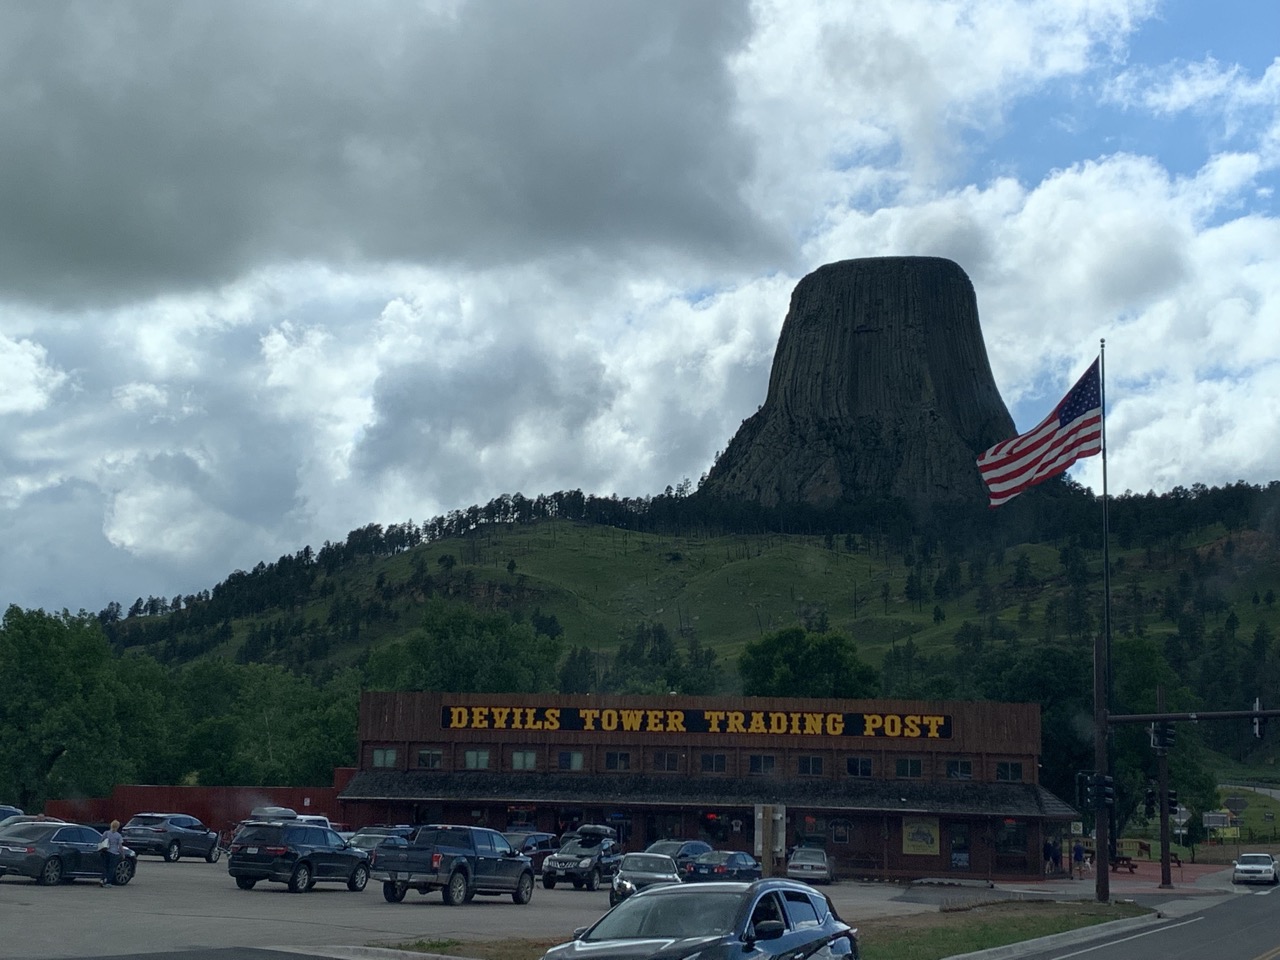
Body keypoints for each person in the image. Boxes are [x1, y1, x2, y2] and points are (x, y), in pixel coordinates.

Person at [100, 819, 123, 887]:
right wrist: (122, 854)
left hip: (106, 851)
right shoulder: (118, 835)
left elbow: (101, 840)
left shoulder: (106, 833)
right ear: (118, 826)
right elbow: (120, 846)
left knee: (105, 867)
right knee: (111, 868)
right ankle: (108, 882)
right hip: (114, 853)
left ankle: (102, 879)